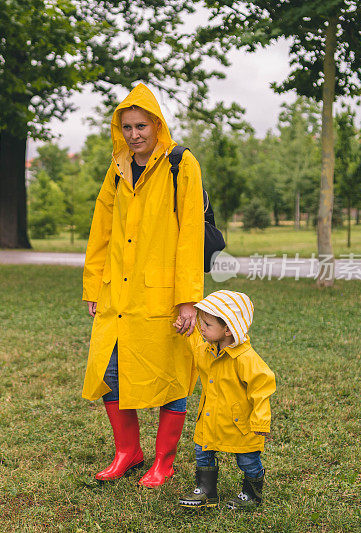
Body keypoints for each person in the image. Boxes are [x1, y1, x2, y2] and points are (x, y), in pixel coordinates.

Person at [81, 83, 205, 487]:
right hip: (118, 292)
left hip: (164, 294)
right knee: (110, 371)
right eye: (127, 127)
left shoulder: (180, 164)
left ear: (157, 124)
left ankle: (163, 462)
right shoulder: (116, 169)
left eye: (142, 126)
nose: (135, 134)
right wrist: (94, 287)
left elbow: (191, 234)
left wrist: (188, 301)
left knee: (170, 375)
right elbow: (100, 231)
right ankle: (127, 452)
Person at [177, 290, 276, 510]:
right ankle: (206, 490)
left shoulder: (246, 358)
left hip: (239, 423)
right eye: (201, 323)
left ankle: (252, 492)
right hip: (210, 418)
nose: (202, 328)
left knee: (247, 460)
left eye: (208, 325)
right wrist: (186, 331)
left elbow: (262, 388)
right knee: (203, 453)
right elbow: (194, 349)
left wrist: (260, 421)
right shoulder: (206, 350)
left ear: (229, 329)